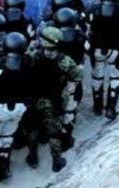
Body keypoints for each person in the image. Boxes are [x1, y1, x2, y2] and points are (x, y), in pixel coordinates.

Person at [25, 27, 82, 171]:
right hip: (53, 100)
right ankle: (56, 161)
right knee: (54, 132)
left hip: (33, 98)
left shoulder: (34, 55)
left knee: (32, 127)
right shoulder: (64, 61)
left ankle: (32, 157)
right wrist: (71, 85)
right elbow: (77, 75)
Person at [0, 32, 31, 181]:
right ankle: (6, 164)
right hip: (20, 108)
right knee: (8, 137)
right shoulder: (28, 63)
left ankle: (1, 169)